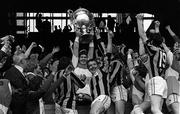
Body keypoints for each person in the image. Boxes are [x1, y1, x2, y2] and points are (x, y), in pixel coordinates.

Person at [135, 13, 170, 114]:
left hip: (155, 80)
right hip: (163, 83)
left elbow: (142, 35)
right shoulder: (162, 50)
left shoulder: (153, 49)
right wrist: (157, 27)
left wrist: (139, 20)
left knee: (154, 110)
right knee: (158, 109)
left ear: (152, 41)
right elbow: (157, 38)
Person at [87, 29, 113, 114]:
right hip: (95, 101)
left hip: (103, 97)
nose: (92, 66)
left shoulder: (102, 70)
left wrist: (99, 37)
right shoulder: (91, 79)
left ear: (98, 65)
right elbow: (92, 96)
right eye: (90, 66)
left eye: (94, 64)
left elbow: (107, 54)